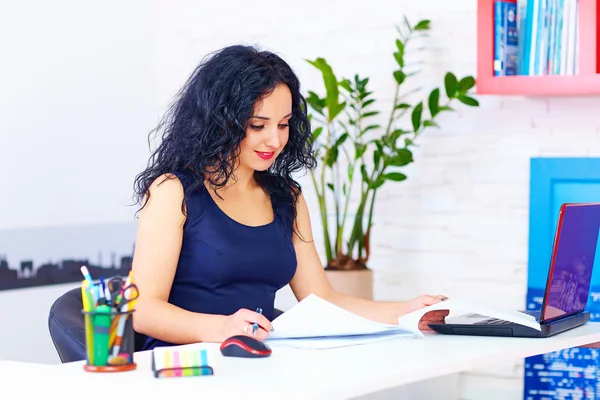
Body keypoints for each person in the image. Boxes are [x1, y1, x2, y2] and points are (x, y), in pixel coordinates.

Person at [131, 44, 449, 350]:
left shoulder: (287, 197)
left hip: (258, 357)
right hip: (185, 363)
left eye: (284, 124)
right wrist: (223, 328)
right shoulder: (172, 192)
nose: (275, 139)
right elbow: (143, 311)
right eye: (258, 125)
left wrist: (407, 311)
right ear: (220, 123)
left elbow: (322, 299)